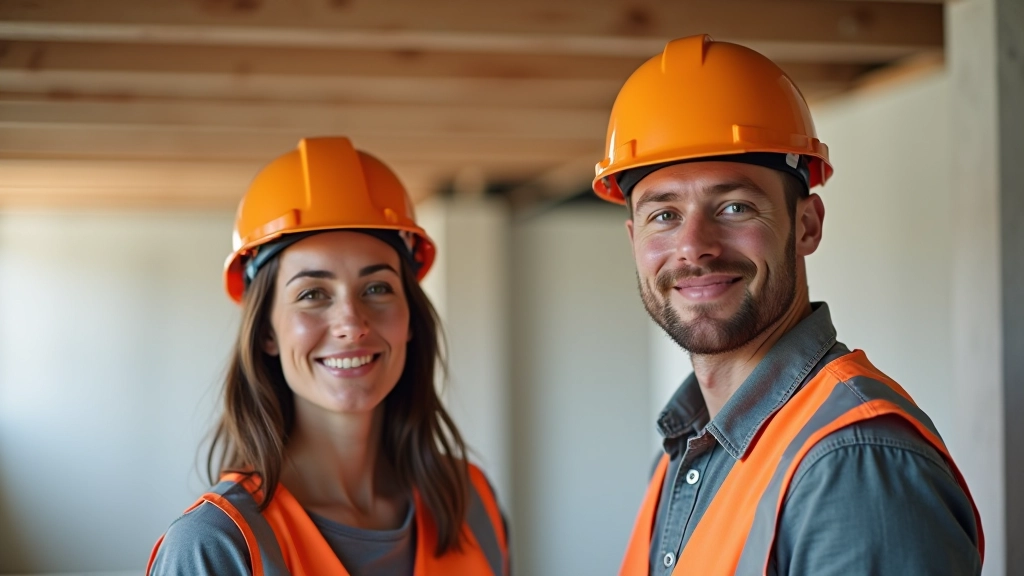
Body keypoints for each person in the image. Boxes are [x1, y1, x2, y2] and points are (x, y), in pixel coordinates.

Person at [592, 35, 984, 575]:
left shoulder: (851, 462)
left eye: (733, 206)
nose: (694, 246)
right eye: (665, 215)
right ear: (634, 238)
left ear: (806, 225)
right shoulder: (690, 450)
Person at [147, 137, 509, 576]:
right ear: (266, 332)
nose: (351, 322)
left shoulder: (469, 499)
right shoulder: (215, 544)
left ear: (410, 317)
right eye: (313, 294)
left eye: (377, 288)